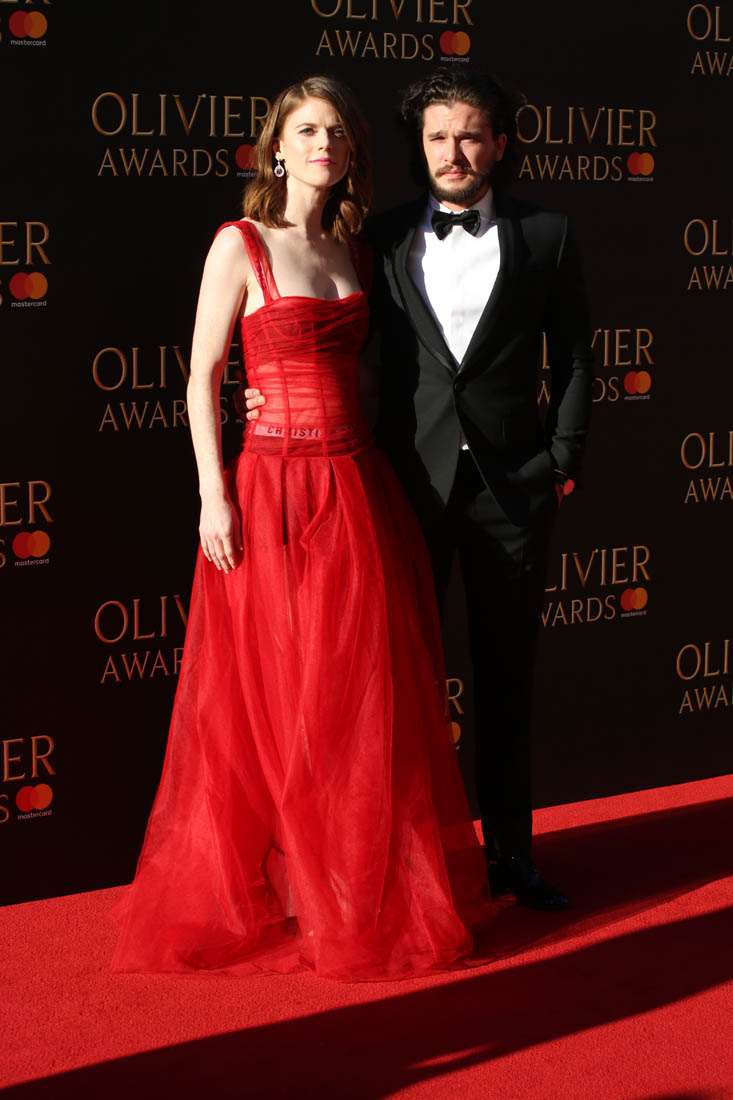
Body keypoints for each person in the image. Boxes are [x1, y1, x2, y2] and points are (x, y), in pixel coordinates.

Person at [111, 75, 493, 982]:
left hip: (353, 486)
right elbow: (203, 374)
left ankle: (350, 894)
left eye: (339, 133)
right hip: (268, 489)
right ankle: (283, 889)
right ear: (275, 148)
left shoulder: (356, 250)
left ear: (352, 153)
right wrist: (212, 493)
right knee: (273, 701)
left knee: (353, 704)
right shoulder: (239, 243)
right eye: (308, 130)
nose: (325, 144)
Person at [246, 68, 594, 910]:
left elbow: (577, 357)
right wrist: (266, 395)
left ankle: (510, 858)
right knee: (392, 692)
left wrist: (560, 461)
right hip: (404, 490)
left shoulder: (546, 235)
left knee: (505, 684)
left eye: (470, 135)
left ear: (498, 145)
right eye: (438, 136)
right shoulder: (378, 238)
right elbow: (327, 340)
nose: (453, 151)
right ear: (419, 146)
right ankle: (406, 870)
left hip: (513, 491)